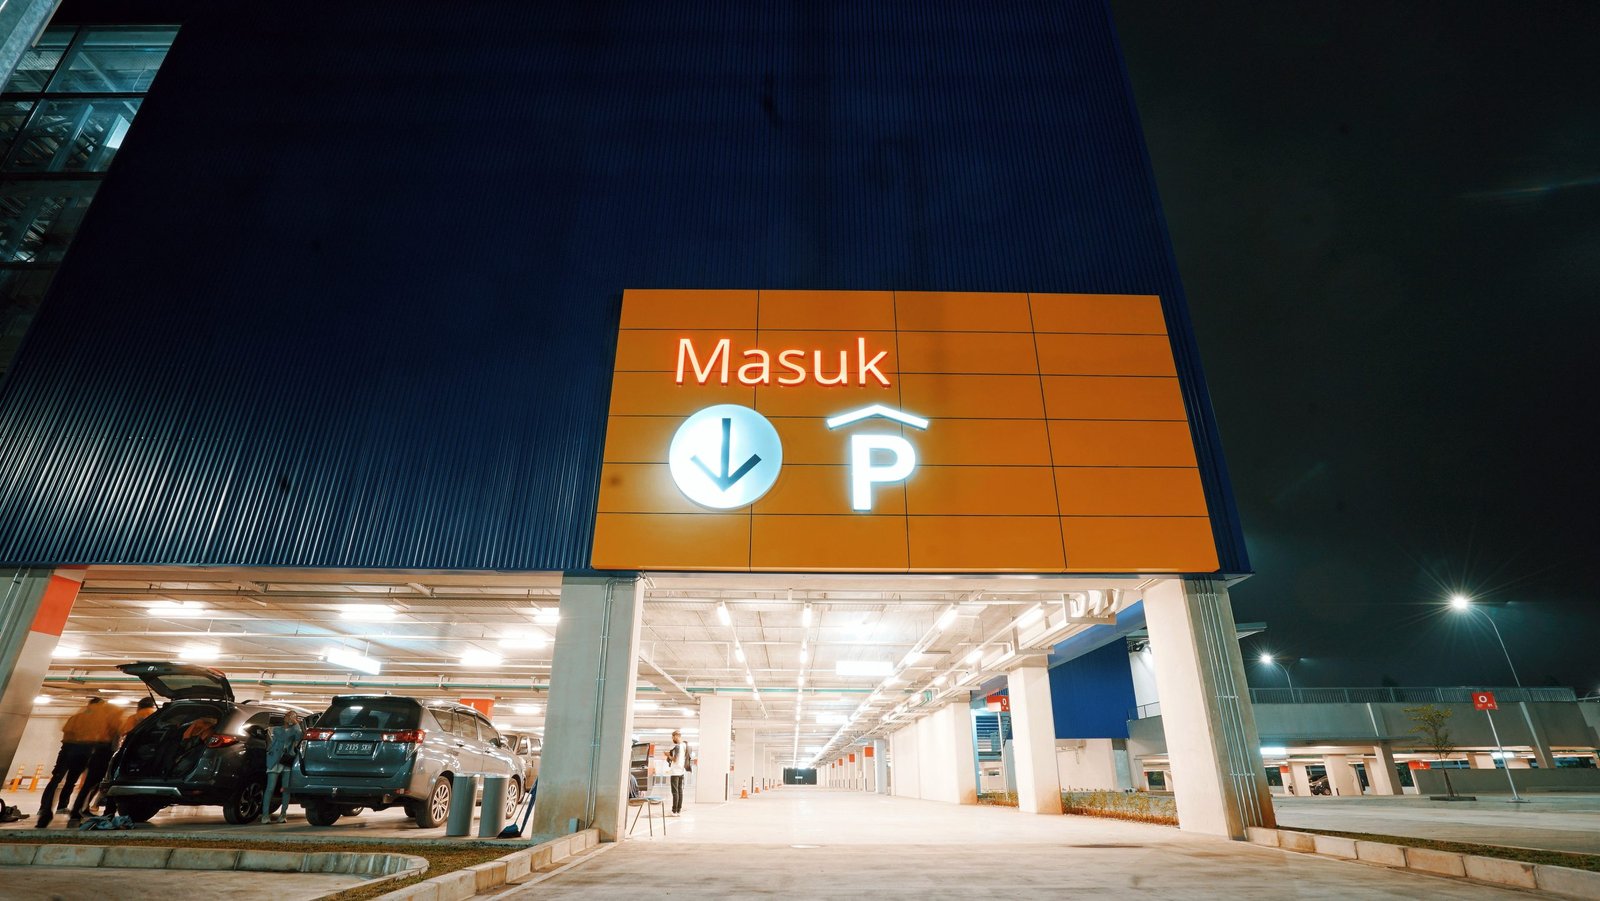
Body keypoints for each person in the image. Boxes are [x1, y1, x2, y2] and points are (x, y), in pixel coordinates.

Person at [37, 697, 123, 828]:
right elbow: (105, 735)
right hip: (88, 749)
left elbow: (66, 730)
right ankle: (74, 813)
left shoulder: (77, 717)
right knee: (83, 782)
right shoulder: (101, 718)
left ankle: (46, 811)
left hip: (69, 748)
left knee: (58, 779)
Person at [261, 711, 303, 824]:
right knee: (270, 787)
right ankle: (265, 815)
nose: (290, 718)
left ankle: (283, 814)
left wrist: (296, 724)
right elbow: (284, 736)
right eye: (289, 716)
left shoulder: (296, 730)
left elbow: (300, 736)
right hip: (274, 760)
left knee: (285, 788)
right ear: (285, 717)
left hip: (287, 760)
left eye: (294, 717)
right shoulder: (277, 729)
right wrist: (295, 726)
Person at [664, 729, 692, 816]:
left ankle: (674, 811)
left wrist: (668, 755)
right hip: (681, 772)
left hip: (675, 772)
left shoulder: (678, 746)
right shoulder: (685, 746)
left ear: (676, 736)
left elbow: (675, 759)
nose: (673, 738)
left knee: (675, 792)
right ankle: (678, 810)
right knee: (680, 791)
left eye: (673, 737)